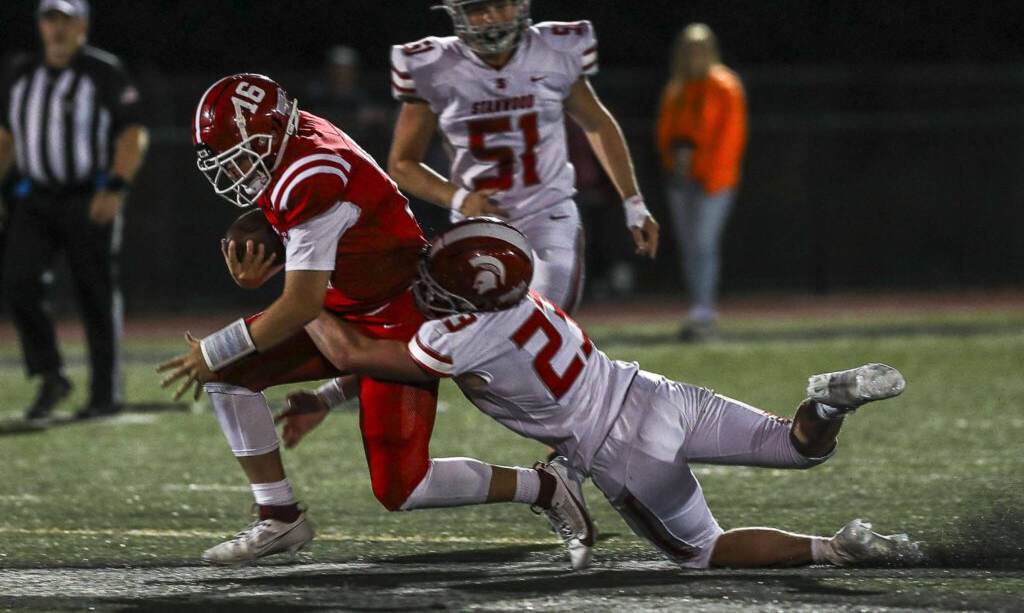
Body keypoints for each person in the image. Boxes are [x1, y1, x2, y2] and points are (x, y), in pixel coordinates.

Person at [277, 218, 922, 570]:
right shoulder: (525, 297)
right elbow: (395, 366)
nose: (428, 287)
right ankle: (831, 403)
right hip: (652, 391)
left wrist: (294, 289)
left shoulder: (458, 334)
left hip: (619, 449)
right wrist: (332, 400)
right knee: (799, 445)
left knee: (701, 552)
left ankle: (836, 549)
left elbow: (358, 353)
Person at [157, 74, 595, 569]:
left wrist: (214, 348)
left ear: (275, 131)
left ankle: (544, 485)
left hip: (401, 316)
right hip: (348, 302)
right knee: (227, 377)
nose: (236, 169)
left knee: (402, 487)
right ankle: (279, 517)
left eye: (241, 152)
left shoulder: (312, 177)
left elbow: (301, 305)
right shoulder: (294, 143)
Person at [388, 0, 659, 314]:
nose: (493, 17)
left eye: (503, 4)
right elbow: (402, 163)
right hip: (477, 224)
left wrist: (634, 202)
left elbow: (596, 122)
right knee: (474, 351)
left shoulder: (553, 50)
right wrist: (459, 199)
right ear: (456, 12)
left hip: (549, 215)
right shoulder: (435, 66)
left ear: (523, 2)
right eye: (478, 9)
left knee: (541, 323)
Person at [0, 0, 148, 420]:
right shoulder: (21, 71)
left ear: (82, 25)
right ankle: (51, 375)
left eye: (66, 19)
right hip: (37, 197)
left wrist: (116, 188)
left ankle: (105, 393)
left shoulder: (103, 72)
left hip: (89, 195)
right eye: (50, 18)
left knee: (95, 295)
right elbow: (6, 138)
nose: (57, 27)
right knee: (19, 284)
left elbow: (132, 132)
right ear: (40, 24)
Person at [656, 23, 747, 342]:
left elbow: (730, 138)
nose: (694, 55)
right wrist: (674, 167)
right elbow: (666, 134)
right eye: (688, 49)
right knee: (689, 246)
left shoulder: (724, 86)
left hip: (713, 181)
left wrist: (709, 176)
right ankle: (698, 307)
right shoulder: (677, 88)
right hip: (682, 180)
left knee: (703, 244)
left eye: (699, 49)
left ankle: (704, 310)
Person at [303, 45, 388, 159]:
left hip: (350, 149)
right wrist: (354, 118)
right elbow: (314, 119)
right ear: (330, 70)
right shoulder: (315, 93)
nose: (342, 74)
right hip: (319, 148)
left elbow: (369, 116)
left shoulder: (358, 95)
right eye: (338, 69)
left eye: (347, 70)